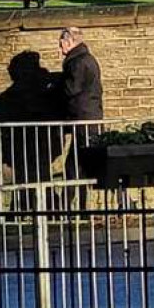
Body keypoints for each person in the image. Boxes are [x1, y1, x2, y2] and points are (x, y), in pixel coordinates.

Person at [0, 52, 64, 191]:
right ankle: (49, 209)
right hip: (45, 145)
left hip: (26, 147)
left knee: (29, 186)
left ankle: (47, 209)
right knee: (38, 185)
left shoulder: (16, 94)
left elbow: (3, 115)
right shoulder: (49, 85)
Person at [59, 27, 103, 189]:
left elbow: (71, 89)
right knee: (85, 165)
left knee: (76, 166)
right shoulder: (86, 59)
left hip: (83, 120)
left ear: (69, 42)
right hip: (90, 118)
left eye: (61, 43)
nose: (60, 47)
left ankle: (66, 208)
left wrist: (54, 86)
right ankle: (68, 207)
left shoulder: (77, 62)